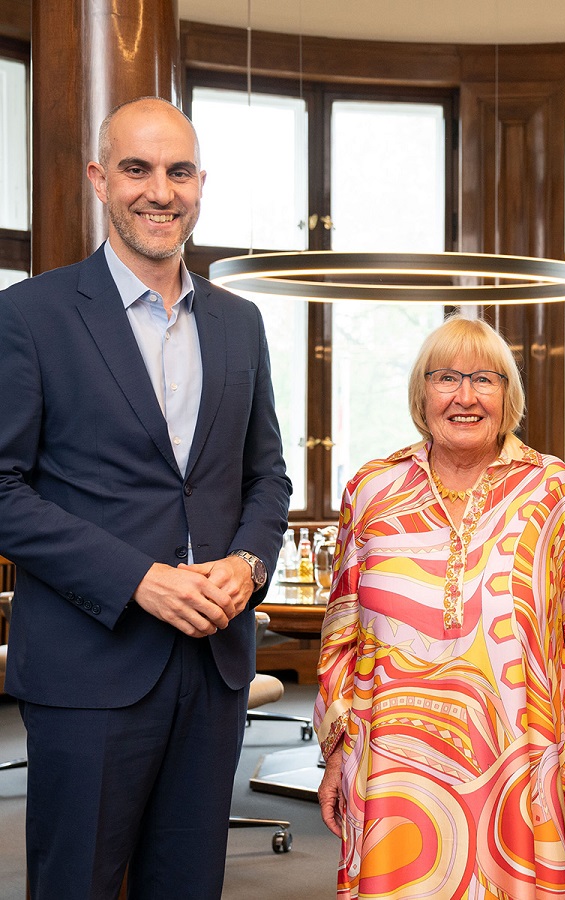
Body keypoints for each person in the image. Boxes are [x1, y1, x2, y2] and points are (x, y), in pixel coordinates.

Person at [0, 96, 291, 899]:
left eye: (179, 171)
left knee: (189, 885)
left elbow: (267, 474)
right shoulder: (30, 314)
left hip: (214, 666)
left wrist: (248, 560)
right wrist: (138, 577)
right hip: (90, 668)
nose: (160, 191)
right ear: (100, 178)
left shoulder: (241, 323)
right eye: (138, 168)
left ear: (201, 184)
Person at [313, 315, 565, 899]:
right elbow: (340, 630)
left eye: (484, 379)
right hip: (391, 759)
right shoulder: (372, 489)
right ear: (423, 392)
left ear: (508, 394)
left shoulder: (549, 487)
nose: (465, 397)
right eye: (446, 378)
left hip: (520, 755)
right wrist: (336, 752)